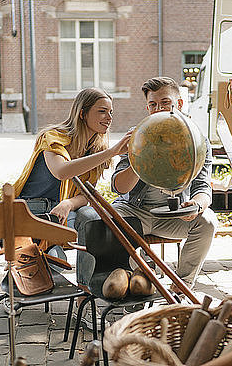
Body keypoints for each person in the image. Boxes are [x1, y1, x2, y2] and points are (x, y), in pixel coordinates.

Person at [75, 77, 217, 291]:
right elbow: (119, 187)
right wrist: (139, 157)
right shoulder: (137, 135)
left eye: (165, 102)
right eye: (153, 104)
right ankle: (129, 281)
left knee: (207, 221)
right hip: (134, 210)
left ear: (178, 104)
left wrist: (197, 205)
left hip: (173, 214)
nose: (158, 109)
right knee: (102, 223)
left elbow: (203, 187)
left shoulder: (197, 138)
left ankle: (182, 286)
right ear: (147, 107)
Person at [12, 87, 131, 256]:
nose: (109, 118)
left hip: (63, 211)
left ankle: (87, 282)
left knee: (92, 219)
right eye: (102, 111)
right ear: (82, 114)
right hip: (33, 210)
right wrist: (111, 152)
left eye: (111, 112)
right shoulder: (52, 137)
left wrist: (67, 204)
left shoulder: (97, 150)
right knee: (53, 264)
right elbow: (61, 172)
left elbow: (86, 194)